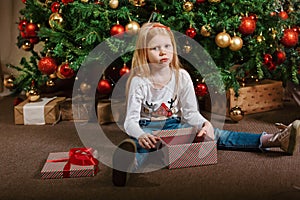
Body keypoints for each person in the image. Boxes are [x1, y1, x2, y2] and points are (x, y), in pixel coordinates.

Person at [112, 22, 300, 186]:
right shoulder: (139, 80)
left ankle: (274, 140)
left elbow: (191, 113)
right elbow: (130, 122)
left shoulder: (181, 76)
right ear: (144, 53)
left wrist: (204, 123)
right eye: (155, 48)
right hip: (147, 128)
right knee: (142, 145)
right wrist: (141, 134)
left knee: (218, 134)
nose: (163, 52)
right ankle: (128, 164)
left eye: (167, 46)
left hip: (175, 125)